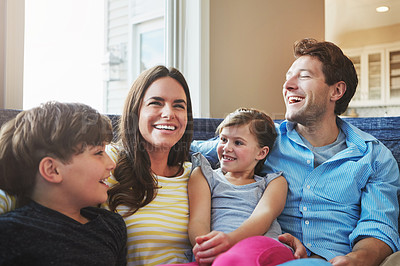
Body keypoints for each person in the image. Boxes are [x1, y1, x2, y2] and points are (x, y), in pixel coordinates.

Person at [191, 38, 400, 266]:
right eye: (288, 76)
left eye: (304, 76)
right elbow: (191, 148)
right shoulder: (263, 139)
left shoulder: (374, 156)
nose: (288, 85)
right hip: (272, 256)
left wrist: (357, 259)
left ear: (337, 90)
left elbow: (378, 226)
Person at [163, 108, 297, 266]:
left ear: (261, 153)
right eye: (223, 139)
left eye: (238, 142)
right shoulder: (204, 175)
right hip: (216, 255)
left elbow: (263, 217)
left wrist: (229, 241)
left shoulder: (274, 182)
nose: (227, 148)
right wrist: (207, 247)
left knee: (229, 261)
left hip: (263, 248)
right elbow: (198, 220)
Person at [0, 101, 127, 265]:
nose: (112, 164)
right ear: (52, 170)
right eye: (98, 153)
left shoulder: (112, 226)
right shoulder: (11, 232)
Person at [105, 65, 194, 265]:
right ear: (136, 111)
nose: (168, 113)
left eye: (179, 105)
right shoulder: (108, 160)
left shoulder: (196, 173)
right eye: (156, 103)